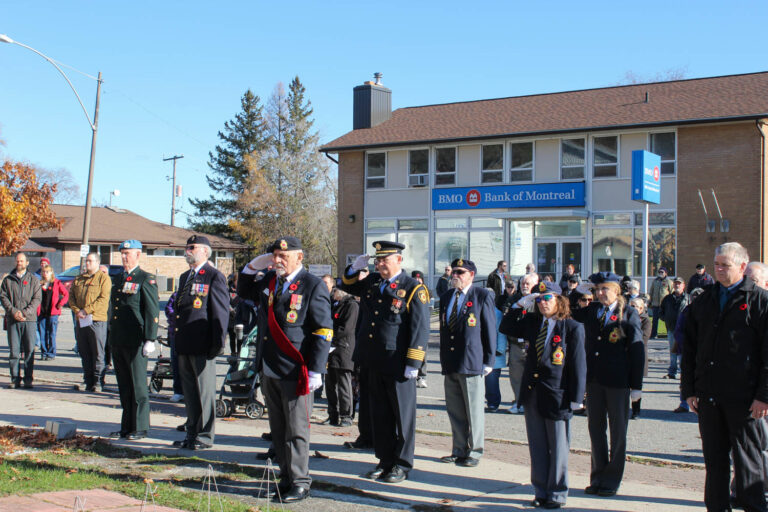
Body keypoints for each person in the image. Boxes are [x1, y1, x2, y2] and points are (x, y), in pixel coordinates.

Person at [238, 236, 332, 503]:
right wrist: (253, 266)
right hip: (270, 367)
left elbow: (323, 330)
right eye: (275, 256)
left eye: (284, 256)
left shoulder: (312, 285)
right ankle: (285, 477)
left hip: (296, 370)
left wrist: (316, 370)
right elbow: (244, 291)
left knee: (297, 430)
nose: (277, 260)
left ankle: (301, 482)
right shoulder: (271, 282)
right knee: (278, 429)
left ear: (299, 257)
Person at [682, 242, 768, 511]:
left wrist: (763, 397)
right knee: (715, 464)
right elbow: (690, 349)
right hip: (709, 397)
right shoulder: (705, 299)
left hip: (744, 400)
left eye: (725, 265)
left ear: (742, 266)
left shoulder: (759, 301)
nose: (719, 269)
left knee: (748, 465)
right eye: (716, 264)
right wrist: (690, 390)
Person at [340, 240, 430, 484]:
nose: (380, 265)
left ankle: (402, 464)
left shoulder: (412, 288)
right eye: (377, 260)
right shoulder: (373, 283)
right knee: (379, 415)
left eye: (385, 260)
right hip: (372, 359)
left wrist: (415, 362)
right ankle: (385, 460)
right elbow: (345, 284)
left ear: (399, 260)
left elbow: (420, 327)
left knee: (402, 417)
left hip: (398, 362)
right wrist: (353, 268)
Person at [500, 280, 586, 509]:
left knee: (558, 447)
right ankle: (540, 490)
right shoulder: (532, 322)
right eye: (538, 299)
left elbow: (578, 364)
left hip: (558, 394)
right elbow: (506, 326)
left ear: (560, 300)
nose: (542, 303)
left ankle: (557, 493)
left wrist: (578, 397)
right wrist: (520, 303)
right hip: (532, 392)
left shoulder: (572, 327)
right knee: (537, 445)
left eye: (547, 298)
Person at [572, 272, 644, 497]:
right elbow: (568, 312)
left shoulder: (628, 314)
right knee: (595, 430)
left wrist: (636, 385)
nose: (600, 293)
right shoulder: (593, 311)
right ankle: (598, 476)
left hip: (617, 382)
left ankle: (612, 480)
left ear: (617, 291)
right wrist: (578, 290)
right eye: (597, 289)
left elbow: (637, 350)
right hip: (594, 381)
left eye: (605, 289)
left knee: (618, 433)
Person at [170, 235, 229, 449]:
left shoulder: (214, 276)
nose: (188, 251)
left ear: (205, 251)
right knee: (190, 393)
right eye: (186, 247)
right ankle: (191, 434)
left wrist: (218, 342)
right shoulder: (186, 276)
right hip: (184, 342)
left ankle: (204, 436)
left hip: (203, 344)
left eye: (192, 247)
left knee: (204, 393)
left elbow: (220, 313)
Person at [438, 258, 496, 468]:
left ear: (471, 274)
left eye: (460, 272)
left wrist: (489, 359)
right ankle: (459, 448)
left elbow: (489, 328)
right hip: (451, 361)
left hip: (471, 360)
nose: (455, 275)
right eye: (454, 272)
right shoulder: (446, 297)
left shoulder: (481, 295)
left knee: (473, 410)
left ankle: (475, 450)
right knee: (455, 410)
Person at [108, 240, 159, 440]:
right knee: (124, 385)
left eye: (127, 253)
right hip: (119, 337)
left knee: (138, 386)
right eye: (122, 253)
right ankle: (126, 426)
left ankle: (140, 427)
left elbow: (152, 310)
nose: (123, 257)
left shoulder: (145, 279)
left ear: (138, 255)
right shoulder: (119, 278)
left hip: (136, 339)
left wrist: (150, 338)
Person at [69, 253, 112, 392]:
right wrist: (77, 311)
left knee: (98, 353)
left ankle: (98, 381)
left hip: (96, 320)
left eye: (90, 261)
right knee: (85, 351)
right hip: (81, 320)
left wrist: (86, 311)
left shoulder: (103, 279)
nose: (87, 264)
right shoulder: (79, 279)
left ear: (97, 263)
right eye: (86, 261)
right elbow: (71, 298)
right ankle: (87, 380)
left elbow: (103, 299)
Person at [1, 252, 42, 388]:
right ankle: (15, 378)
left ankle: (28, 378)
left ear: (27, 263)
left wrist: (24, 313)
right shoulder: (8, 280)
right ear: (15, 262)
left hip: (29, 320)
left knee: (29, 350)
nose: (19, 263)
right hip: (13, 321)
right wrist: (13, 312)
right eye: (18, 261)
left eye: (22, 261)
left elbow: (37, 299)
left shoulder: (34, 280)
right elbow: (3, 298)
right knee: (14, 351)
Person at [326, 279, 359, 427]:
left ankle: (346, 416)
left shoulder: (352, 306)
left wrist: (329, 337)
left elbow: (346, 328)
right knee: (330, 385)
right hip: (331, 349)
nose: (333, 294)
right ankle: (332, 415)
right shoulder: (335, 305)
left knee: (344, 385)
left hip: (343, 349)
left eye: (335, 291)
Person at [507, 272, 539, 414]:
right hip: (516, 345)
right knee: (516, 376)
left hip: (532, 345)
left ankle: (533, 403)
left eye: (528, 284)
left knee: (533, 376)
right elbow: (506, 316)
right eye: (523, 284)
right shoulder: (515, 299)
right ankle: (518, 402)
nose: (525, 286)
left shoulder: (540, 300)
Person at [487, 279, 514, 412]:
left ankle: (493, 403)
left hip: (494, 354)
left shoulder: (497, 314)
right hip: (480, 352)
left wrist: (500, 350)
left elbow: (501, 333)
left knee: (492, 381)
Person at [36, 264, 68, 361]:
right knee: (42, 333)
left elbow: (66, 294)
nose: (45, 274)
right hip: (42, 312)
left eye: (47, 272)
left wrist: (60, 304)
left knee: (51, 333)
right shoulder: (39, 284)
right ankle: (44, 352)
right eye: (43, 272)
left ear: (51, 273)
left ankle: (51, 353)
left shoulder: (57, 283)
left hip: (52, 312)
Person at [660, 277, 689, 380]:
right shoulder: (667, 299)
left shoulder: (688, 298)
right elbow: (661, 311)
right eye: (675, 283)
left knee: (683, 352)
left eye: (679, 284)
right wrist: (666, 318)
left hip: (684, 330)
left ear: (683, 285)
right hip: (671, 328)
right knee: (673, 352)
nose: (677, 285)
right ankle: (672, 372)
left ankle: (684, 373)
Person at [628, 297, 651, 419]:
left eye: (635, 306)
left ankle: (636, 410)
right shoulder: (625, 318)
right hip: (626, 356)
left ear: (641, 309)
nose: (632, 308)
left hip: (638, 355)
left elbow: (644, 337)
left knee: (636, 385)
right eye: (631, 305)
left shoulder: (645, 321)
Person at [411, 270, 431, 388]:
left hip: (422, 326)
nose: (417, 281)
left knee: (422, 353)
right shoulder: (408, 290)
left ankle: (422, 376)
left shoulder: (427, 292)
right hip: (411, 326)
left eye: (419, 279)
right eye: (415, 278)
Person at [649, 267, 673, 339]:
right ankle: (654, 334)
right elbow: (651, 291)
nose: (660, 273)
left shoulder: (668, 281)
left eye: (662, 272)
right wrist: (651, 301)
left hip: (665, 305)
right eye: (659, 272)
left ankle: (668, 334)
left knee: (667, 320)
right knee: (655, 320)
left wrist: (670, 303)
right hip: (656, 304)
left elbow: (671, 292)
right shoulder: (655, 281)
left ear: (665, 273)